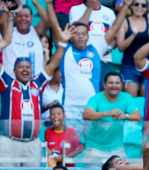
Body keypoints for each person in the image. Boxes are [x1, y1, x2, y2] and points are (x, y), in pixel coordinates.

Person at [46, 0, 131, 132]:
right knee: (70, 149)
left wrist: (125, 6)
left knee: (92, 149)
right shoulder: (65, 49)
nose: (80, 37)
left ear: (88, 36)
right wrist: (49, 5)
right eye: (77, 34)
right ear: (72, 37)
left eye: (84, 34)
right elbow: (55, 26)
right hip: (69, 108)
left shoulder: (96, 48)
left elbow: (114, 28)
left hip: (91, 108)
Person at [0, 24, 70, 168]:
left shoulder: (37, 83)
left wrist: (62, 43)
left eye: (28, 67)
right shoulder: (7, 82)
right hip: (8, 142)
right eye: (21, 67)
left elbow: (54, 63)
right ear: (14, 70)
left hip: (33, 143)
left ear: (32, 70)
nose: (25, 69)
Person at [83, 72, 142, 160]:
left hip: (117, 149)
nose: (114, 85)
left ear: (121, 85)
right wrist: (107, 113)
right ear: (104, 85)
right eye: (110, 83)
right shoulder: (96, 98)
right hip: (95, 149)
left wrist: (123, 116)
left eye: (117, 83)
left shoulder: (126, 97)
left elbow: (137, 116)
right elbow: (86, 114)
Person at [69, 0, 117, 83]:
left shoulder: (110, 12)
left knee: (103, 92)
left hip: (104, 60)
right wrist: (89, 8)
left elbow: (115, 37)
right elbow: (76, 30)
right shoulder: (75, 9)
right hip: (82, 59)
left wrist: (108, 48)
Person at [117, 0, 149, 97]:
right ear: (131, 6)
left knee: (147, 99)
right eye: (136, 4)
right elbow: (120, 47)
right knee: (130, 100)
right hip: (129, 65)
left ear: (147, 8)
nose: (140, 7)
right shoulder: (125, 22)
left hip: (148, 65)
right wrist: (133, 35)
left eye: (143, 5)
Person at [2, 3, 49, 78]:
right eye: (20, 16)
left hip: (34, 85)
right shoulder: (8, 33)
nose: (23, 18)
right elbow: (2, 22)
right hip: (11, 84)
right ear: (15, 18)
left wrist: (34, 1)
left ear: (31, 18)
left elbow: (47, 20)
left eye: (26, 16)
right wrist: (7, 8)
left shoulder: (36, 32)